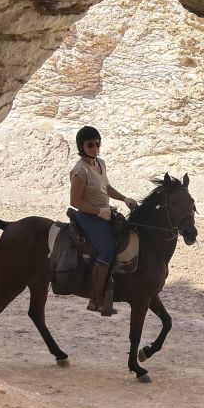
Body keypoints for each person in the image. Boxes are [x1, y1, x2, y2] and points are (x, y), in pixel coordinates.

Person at [69, 125, 138, 316]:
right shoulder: (80, 170)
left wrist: (125, 199)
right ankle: (95, 298)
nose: (95, 147)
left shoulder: (100, 163)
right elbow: (75, 201)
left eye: (97, 143)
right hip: (88, 216)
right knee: (107, 249)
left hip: (104, 212)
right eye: (90, 144)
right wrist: (99, 212)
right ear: (81, 146)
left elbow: (107, 188)